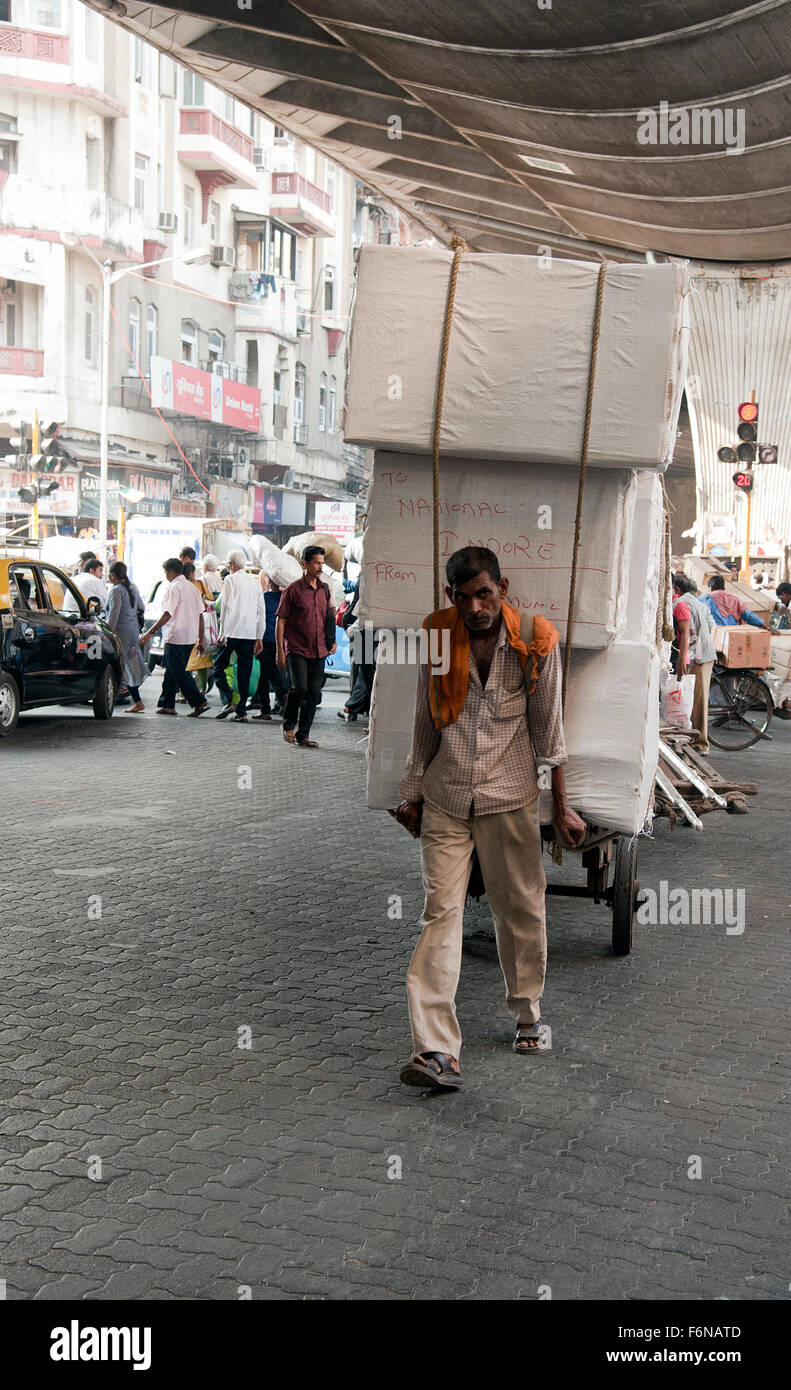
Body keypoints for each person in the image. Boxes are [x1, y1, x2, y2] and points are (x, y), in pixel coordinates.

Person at [394, 546, 586, 1091]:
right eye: (463, 596)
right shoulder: (437, 634)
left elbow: (550, 734)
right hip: (447, 798)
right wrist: (410, 791)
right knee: (440, 914)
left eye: (484, 593)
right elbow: (426, 721)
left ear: (502, 586)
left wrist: (562, 805)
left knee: (519, 908)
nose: (475, 606)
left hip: (510, 796)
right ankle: (436, 1050)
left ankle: (528, 1013)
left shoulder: (534, 639)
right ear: (450, 596)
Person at [276, 545, 336, 748]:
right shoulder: (293, 590)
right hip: (297, 648)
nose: (320, 567)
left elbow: (329, 616)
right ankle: (288, 725)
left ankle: (303, 734)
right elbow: (281, 620)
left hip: (318, 649)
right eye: (316, 563)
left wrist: (332, 640)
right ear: (306, 564)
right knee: (299, 687)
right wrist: (280, 651)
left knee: (313, 692)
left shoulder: (324, 589)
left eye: (322, 563)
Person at [139, 558, 208, 717]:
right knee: (172, 670)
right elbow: (200, 615)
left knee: (177, 671)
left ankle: (198, 700)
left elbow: (167, 613)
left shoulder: (173, 588)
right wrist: (200, 639)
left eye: (166, 572)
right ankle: (167, 704)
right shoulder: (192, 588)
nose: (166, 576)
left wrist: (150, 631)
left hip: (176, 635)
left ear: (170, 571)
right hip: (189, 636)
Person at [212, 549, 265, 723]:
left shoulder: (229, 579)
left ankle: (228, 700)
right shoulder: (255, 583)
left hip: (231, 633)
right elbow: (261, 612)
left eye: (228, 563)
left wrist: (222, 633)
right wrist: (259, 637)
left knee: (218, 666)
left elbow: (225, 606)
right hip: (249, 634)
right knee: (244, 672)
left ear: (233, 564)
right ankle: (241, 711)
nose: (228, 567)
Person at [672, 574, 717, 753]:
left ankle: (701, 743)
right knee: (693, 699)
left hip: (700, 656)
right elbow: (710, 625)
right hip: (705, 653)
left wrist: (684, 659)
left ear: (677, 589)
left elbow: (688, 633)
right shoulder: (698, 602)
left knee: (698, 702)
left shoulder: (682, 603)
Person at [105, 561, 148, 713]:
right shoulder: (131, 587)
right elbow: (141, 607)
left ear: (113, 575)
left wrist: (108, 632)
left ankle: (129, 698)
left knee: (120, 664)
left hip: (121, 631)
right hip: (133, 630)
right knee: (131, 664)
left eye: (109, 574)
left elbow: (114, 614)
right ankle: (137, 700)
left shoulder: (116, 590)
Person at [253, 574, 288, 721]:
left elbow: (257, 618)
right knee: (276, 673)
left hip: (265, 640)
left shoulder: (264, 597)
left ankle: (265, 710)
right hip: (279, 641)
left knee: (263, 677)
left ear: (268, 581)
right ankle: (283, 696)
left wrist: (256, 639)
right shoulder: (285, 597)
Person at [699, 575, 769, 629]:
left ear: (710, 587)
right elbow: (747, 614)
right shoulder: (735, 599)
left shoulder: (705, 598)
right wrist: (762, 623)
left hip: (715, 635)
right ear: (724, 588)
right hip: (732, 634)